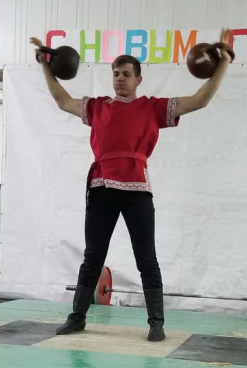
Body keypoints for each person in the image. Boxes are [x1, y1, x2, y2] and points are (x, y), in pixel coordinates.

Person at [31, 30, 232, 342]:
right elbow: (62, 100)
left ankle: (156, 323)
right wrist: (45, 65)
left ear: (138, 79)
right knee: (93, 257)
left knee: (146, 259)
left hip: (137, 191)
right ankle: (77, 317)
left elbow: (200, 100)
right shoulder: (97, 107)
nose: (120, 79)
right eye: (116, 74)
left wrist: (224, 63)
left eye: (126, 74)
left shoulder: (151, 108)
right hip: (101, 189)